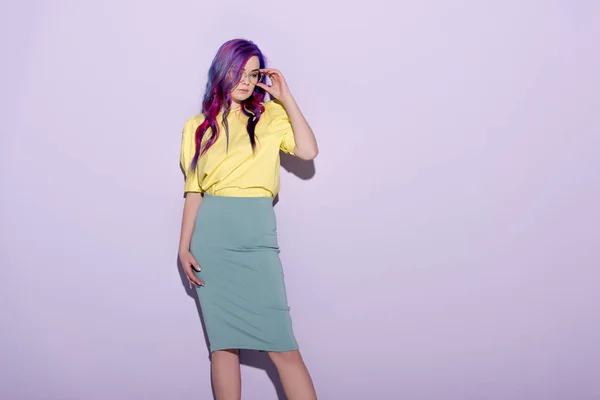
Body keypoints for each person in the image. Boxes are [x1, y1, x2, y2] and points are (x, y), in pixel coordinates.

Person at [177, 38, 319, 400]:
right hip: (211, 240)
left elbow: (308, 150)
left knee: (283, 346)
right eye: (238, 71)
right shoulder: (197, 126)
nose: (244, 80)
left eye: (252, 73)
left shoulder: (271, 115)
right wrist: (183, 247)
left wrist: (285, 97)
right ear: (221, 70)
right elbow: (194, 190)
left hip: (256, 237)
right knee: (223, 345)